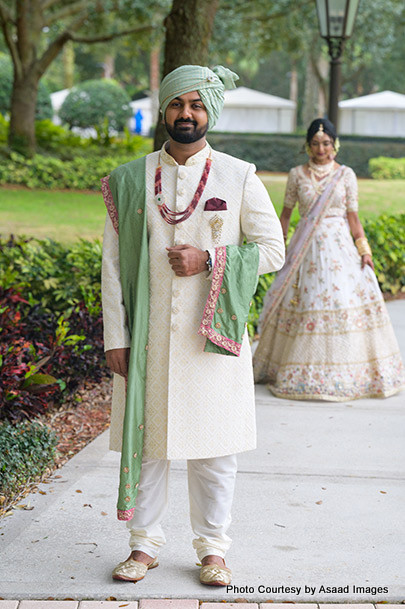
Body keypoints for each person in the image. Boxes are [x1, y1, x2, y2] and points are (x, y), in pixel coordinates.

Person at [100, 64, 285, 586]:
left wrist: (209, 259)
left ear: (211, 112)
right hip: (148, 339)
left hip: (212, 337)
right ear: (164, 110)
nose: (187, 114)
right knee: (150, 440)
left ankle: (213, 549)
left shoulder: (238, 175)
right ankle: (143, 545)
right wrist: (116, 336)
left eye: (197, 105)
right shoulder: (129, 179)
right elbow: (111, 265)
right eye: (178, 104)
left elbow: (273, 250)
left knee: (213, 447)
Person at [253, 118, 404, 401]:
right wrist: (278, 247)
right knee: (306, 301)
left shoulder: (345, 175)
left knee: (341, 301)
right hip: (305, 248)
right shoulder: (297, 174)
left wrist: (365, 251)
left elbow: (354, 219)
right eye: (315, 143)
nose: (321, 148)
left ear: (334, 144)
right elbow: (285, 216)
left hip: (340, 249)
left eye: (326, 143)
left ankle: (348, 371)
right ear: (307, 146)